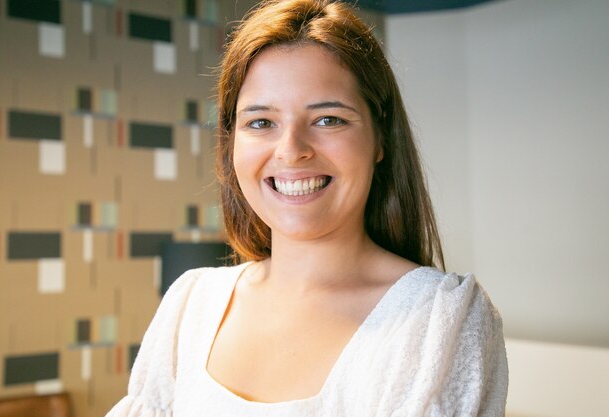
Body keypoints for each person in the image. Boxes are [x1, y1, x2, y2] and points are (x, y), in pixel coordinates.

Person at [106, 0, 508, 415]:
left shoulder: (438, 321)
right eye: (261, 123)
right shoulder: (190, 306)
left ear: (380, 139)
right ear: (230, 145)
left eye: (328, 119)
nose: (291, 150)